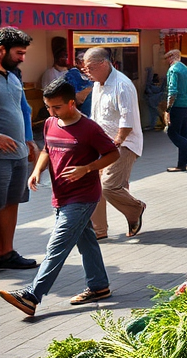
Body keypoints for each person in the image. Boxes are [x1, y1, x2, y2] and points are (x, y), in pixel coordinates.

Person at [0, 79, 120, 317]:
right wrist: (37, 171)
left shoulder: (90, 128)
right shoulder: (50, 123)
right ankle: (99, 286)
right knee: (86, 241)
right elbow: (47, 149)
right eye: (48, 107)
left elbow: (113, 153)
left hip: (83, 197)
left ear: (71, 103)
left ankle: (32, 296)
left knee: (57, 245)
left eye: (56, 107)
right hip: (61, 195)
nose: (51, 112)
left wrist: (87, 168)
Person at [84, 47, 146, 239]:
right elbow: (96, 116)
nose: (87, 73)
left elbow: (127, 120)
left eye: (90, 68)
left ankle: (136, 208)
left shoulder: (122, 85)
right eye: (84, 69)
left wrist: (116, 142)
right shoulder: (97, 84)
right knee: (95, 186)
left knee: (109, 187)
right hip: (101, 143)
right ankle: (99, 230)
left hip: (123, 143)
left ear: (103, 64)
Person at [0, 27, 37, 270]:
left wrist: (30, 138)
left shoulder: (14, 76)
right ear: (1, 50)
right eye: (18, 53)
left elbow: (24, 109)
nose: (22, 58)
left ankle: (6, 253)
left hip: (19, 154)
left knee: (12, 202)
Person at [163, 50, 187, 172]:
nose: (167, 61)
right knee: (185, 133)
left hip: (177, 106)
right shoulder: (186, 69)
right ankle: (182, 163)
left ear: (172, 57)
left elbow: (172, 91)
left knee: (171, 132)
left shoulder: (173, 70)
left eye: (168, 58)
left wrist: (168, 109)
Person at [65, 50, 93, 118]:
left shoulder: (92, 74)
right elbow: (78, 99)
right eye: (81, 60)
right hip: (81, 114)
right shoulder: (72, 74)